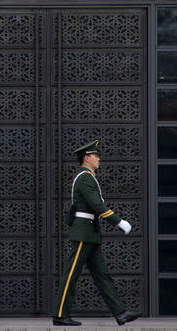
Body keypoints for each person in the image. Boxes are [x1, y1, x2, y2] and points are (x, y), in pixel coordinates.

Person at [52, 140, 142, 327]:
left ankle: (120, 313)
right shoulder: (85, 177)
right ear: (87, 158)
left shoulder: (88, 176)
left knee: (102, 275)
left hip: (90, 234)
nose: (98, 159)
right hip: (84, 233)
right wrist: (119, 222)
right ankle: (60, 314)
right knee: (72, 275)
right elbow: (96, 205)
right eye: (96, 155)